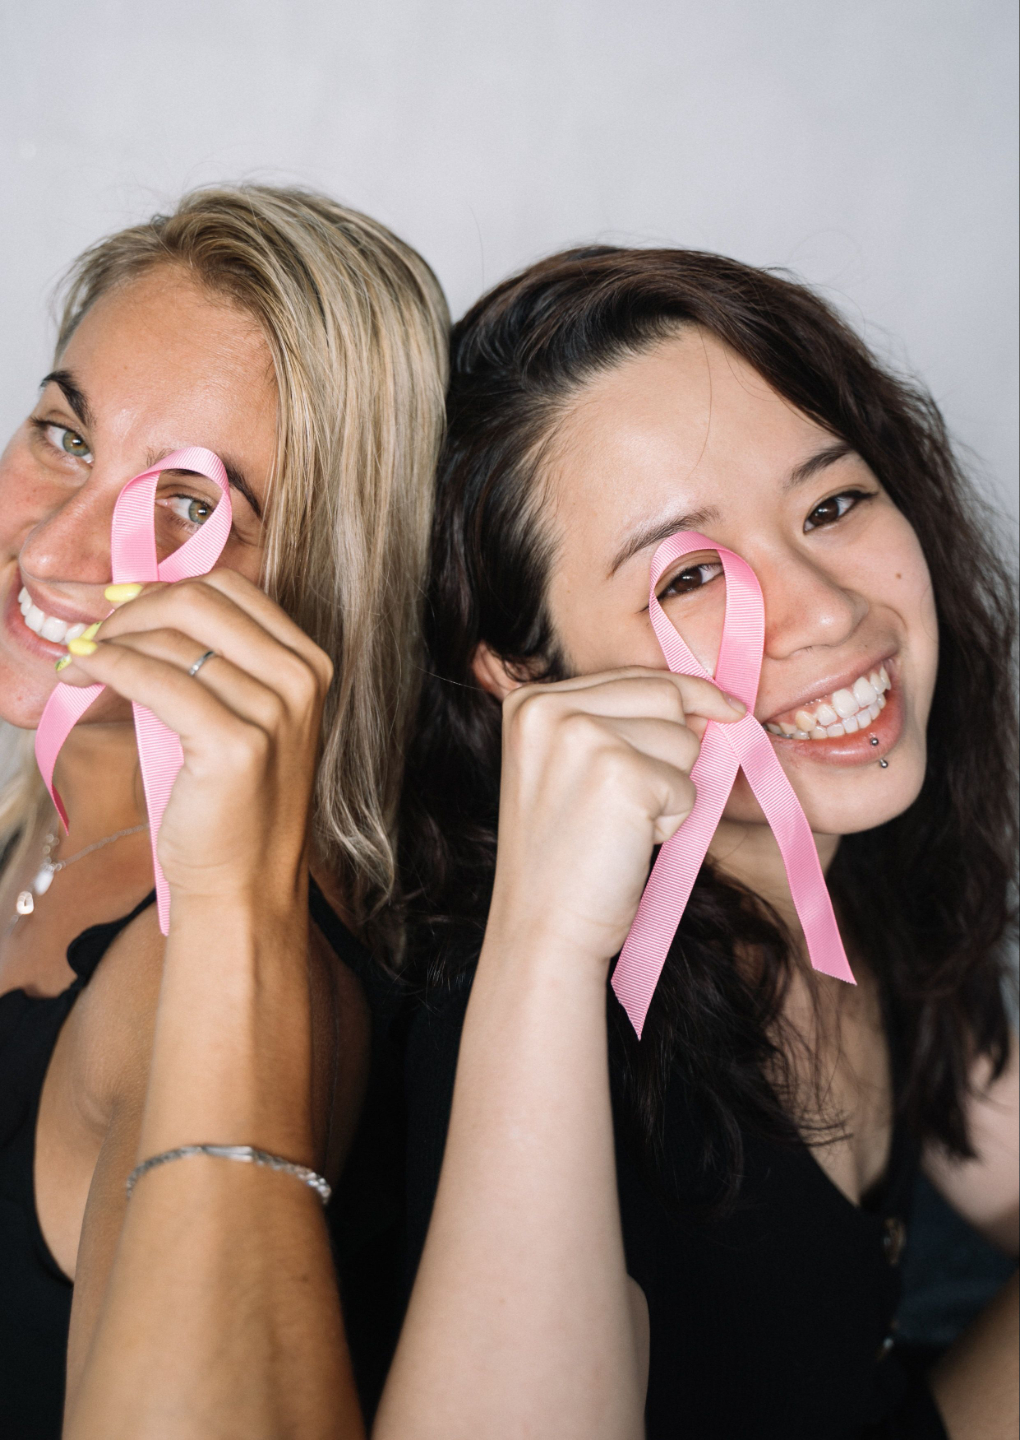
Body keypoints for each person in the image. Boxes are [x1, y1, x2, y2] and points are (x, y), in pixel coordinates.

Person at [379, 248, 1019, 1439]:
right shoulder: (512, 1017)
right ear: (524, 676)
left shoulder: (864, 859)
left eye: (831, 505)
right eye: (688, 578)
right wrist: (544, 946)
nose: (828, 610)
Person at [0, 184, 448, 1438]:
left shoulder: (197, 969)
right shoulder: (53, 815)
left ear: (326, 586)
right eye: (66, 435)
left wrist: (229, 913)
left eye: (191, 507)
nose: (55, 549)